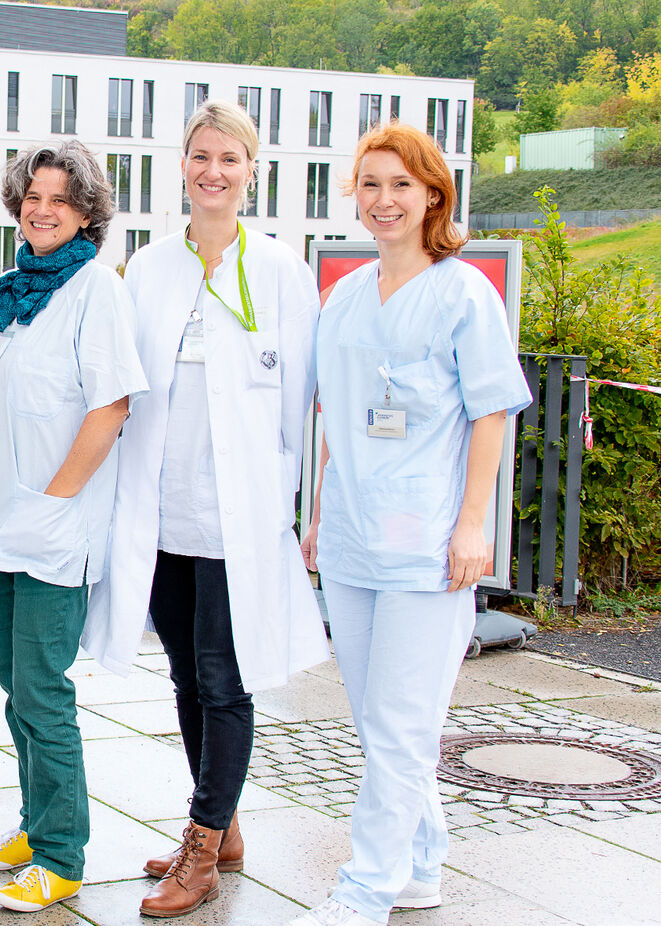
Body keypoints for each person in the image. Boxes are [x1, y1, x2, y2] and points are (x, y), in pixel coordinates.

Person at [88, 99, 330, 918]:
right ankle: (216, 819)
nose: (212, 171)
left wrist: (299, 508)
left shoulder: (280, 273)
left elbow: (306, 402)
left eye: (229, 159)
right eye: (200, 157)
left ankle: (202, 849)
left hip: (240, 517)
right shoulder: (148, 270)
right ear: (181, 167)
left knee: (226, 679)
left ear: (250, 172)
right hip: (162, 514)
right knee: (186, 674)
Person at [291, 124, 532, 926]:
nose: (382, 200)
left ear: (432, 193)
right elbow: (336, 419)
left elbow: (490, 414)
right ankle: (420, 865)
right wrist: (321, 513)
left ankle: (361, 894)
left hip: (429, 545)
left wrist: (473, 526)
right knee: (378, 722)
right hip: (355, 540)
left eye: (399, 184)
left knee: (398, 727)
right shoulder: (345, 296)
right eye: (368, 184)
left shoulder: (464, 292)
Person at [0, 141, 147, 913]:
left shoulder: (97, 290)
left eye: (59, 198)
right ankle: (33, 827)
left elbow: (110, 406)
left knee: (41, 689)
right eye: (32, 195)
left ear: (87, 212)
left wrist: (54, 502)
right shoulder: (2, 289)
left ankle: (62, 855)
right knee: (12, 687)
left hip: (54, 525)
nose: (41, 208)